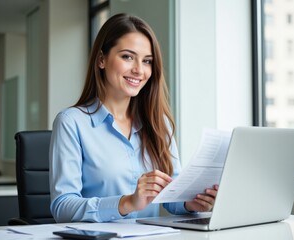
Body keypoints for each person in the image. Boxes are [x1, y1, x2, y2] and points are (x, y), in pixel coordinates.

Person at [49, 13, 218, 223]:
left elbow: (170, 193)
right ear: (101, 59)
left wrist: (189, 203)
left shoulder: (158, 123)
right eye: (127, 57)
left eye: (147, 61)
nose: (139, 70)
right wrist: (126, 203)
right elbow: (63, 206)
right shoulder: (71, 122)